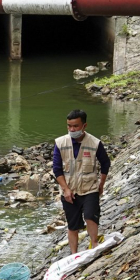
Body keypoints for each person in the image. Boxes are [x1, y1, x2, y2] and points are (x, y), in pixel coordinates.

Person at [52, 109, 110, 254]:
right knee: (72, 225)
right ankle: (74, 254)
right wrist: (65, 189)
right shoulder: (60, 143)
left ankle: (94, 244)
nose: (72, 129)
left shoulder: (95, 143)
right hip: (69, 190)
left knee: (90, 216)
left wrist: (101, 184)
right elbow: (57, 169)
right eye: (69, 126)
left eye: (76, 126)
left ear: (84, 126)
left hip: (90, 188)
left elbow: (105, 163)